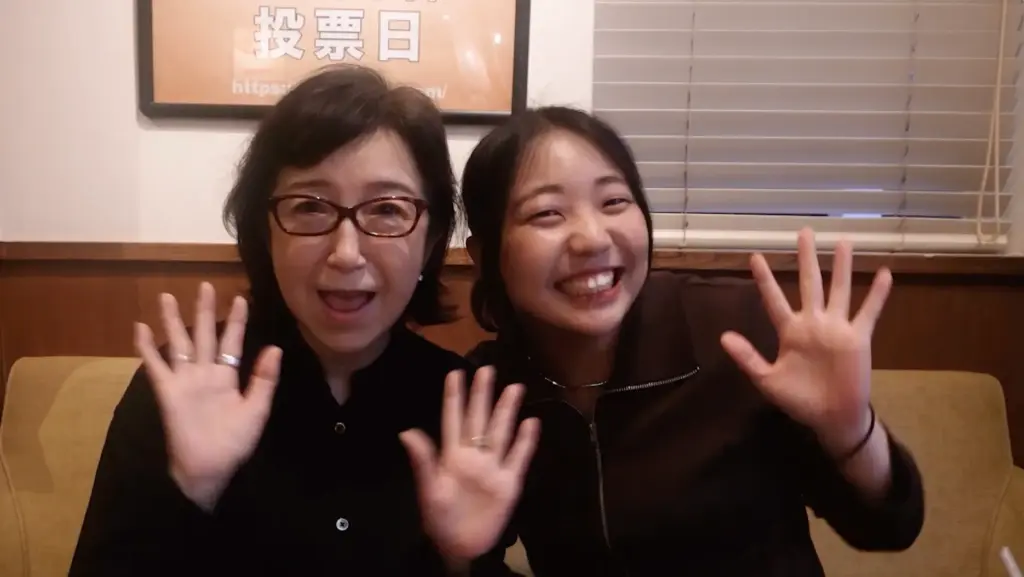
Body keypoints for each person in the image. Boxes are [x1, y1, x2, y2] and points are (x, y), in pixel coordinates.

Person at [69, 65, 538, 577]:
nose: (346, 253)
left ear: (429, 240)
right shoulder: (182, 387)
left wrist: (460, 561)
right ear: (265, 231)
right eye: (310, 207)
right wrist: (192, 489)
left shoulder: (463, 405)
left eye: (387, 210)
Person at [458, 106, 926, 576]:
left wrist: (851, 433)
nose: (593, 238)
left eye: (614, 201)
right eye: (547, 213)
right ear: (486, 254)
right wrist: (454, 554)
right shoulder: (489, 395)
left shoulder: (733, 331)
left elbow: (888, 527)